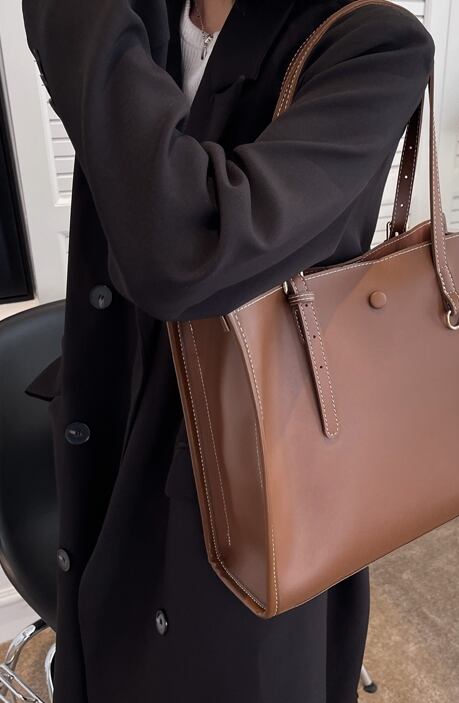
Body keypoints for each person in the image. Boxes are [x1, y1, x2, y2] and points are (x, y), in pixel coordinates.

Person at [20, 0, 435, 700]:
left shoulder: (372, 43)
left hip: (249, 481)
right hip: (112, 425)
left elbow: (182, 253)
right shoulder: (146, 17)